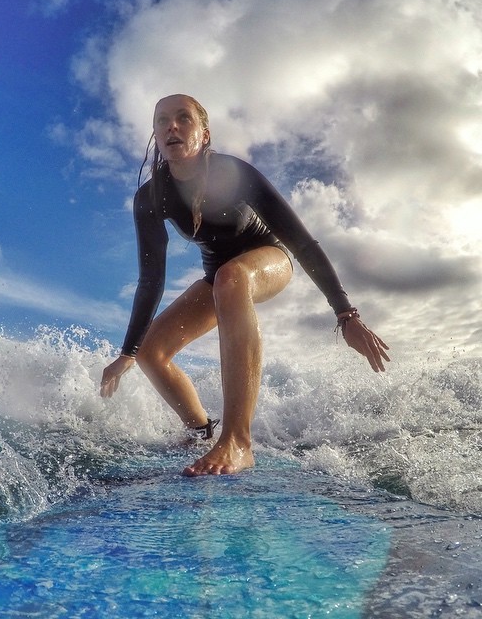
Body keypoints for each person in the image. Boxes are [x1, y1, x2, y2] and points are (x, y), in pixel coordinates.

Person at [100, 94, 389, 477]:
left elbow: (302, 243)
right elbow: (151, 278)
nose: (172, 126)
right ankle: (201, 431)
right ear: (155, 134)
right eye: (162, 120)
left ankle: (238, 441)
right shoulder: (150, 197)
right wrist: (128, 352)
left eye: (183, 118)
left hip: (269, 259)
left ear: (204, 134)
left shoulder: (233, 173)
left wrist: (345, 314)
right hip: (219, 278)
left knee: (231, 278)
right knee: (151, 351)